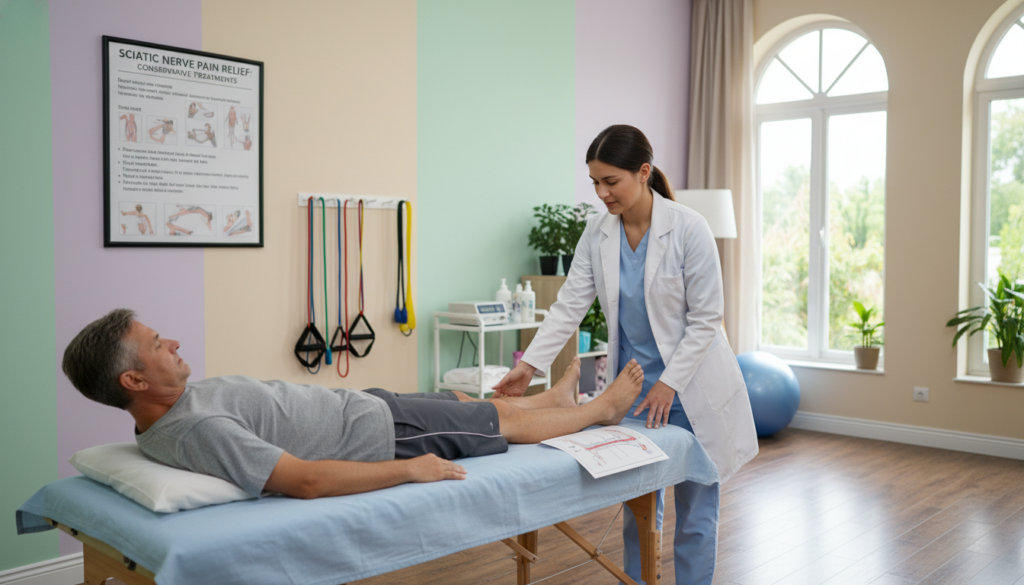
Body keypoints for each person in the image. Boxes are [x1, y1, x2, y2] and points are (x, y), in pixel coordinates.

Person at [492, 125, 758, 585]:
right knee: (640, 505)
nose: (601, 193)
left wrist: (669, 382)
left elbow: (706, 318)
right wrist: (527, 367)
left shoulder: (688, 228)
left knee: (696, 510)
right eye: (595, 182)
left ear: (643, 172)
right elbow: (569, 305)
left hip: (690, 388)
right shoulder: (598, 233)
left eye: (610, 181)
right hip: (632, 390)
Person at [61, 309, 645, 499]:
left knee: (469, 398)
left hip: (362, 406)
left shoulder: (173, 409)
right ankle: (600, 411)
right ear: (134, 381)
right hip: (379, 437)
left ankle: (556, 397)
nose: (174, 343)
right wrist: (408, 470)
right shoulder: (196, 430)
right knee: (503, 418)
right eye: (158, 346)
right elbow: (304, 480)